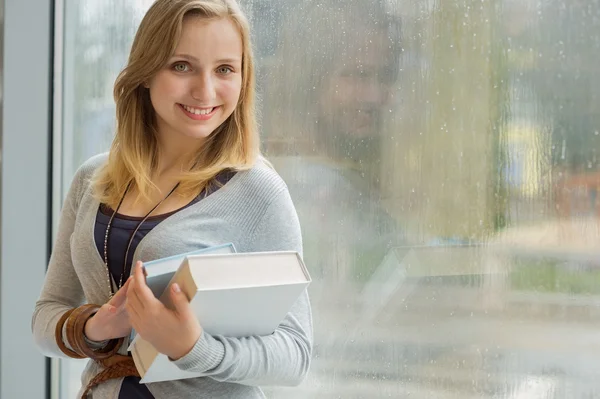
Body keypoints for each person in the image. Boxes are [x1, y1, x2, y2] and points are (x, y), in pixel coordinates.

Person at [31, 1, 312, 398]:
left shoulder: (258, 192)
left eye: (225, 70)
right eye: (182, 65)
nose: (205, 90)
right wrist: (99, 326)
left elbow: (295, 353)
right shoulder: (91, 180)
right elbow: (46, 317)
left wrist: (193, 348)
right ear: (146, 71)